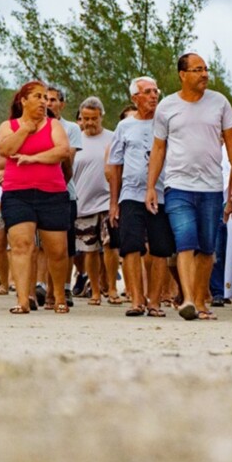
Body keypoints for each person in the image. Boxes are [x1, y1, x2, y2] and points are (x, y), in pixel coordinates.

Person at [148, 53, 232, 322]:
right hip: (177, 185)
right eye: (197, 70)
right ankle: (188, 299)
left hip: (212, 186)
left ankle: (201, 301)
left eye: (206, 69)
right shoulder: (166, 107)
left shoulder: (220, 102)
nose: (204, 74)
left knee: (207, 248)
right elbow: (158, 148)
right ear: (182, 74)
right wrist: (150, 187)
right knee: (185, 240)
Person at [0, 81, 72, 314]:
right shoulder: (8, 126)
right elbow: (5, 149)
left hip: (52, 193)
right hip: (17, 192)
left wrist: (34, 158)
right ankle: (22, 299)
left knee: (57, 250)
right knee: (21, 245)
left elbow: (62, 151)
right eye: (38, 97)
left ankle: (58, 295)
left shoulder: (54, 125)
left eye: (45, 97)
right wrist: (25, 129)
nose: (43, 102)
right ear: (23, 101)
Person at [109, 77, 175, 317]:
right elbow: (115, 165)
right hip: (130, 194)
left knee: (160, 248)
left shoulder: (166, 123)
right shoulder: (125, 126)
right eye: (147, 92)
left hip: (161, 193)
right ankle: (136, 299)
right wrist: (113, 202)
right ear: (134, 98)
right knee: (130, 246)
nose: (153, 96)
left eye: (156, 91)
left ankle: (155, 301)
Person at [72, 96, 114, 305]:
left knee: (110, 246)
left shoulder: (113, 138)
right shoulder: (75, 140)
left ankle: (112, 289)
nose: (89, 123)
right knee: (89, 249)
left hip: (108, 200)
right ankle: (95, 289)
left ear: (101, 117)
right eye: (85, 118)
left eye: (93, 118)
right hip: (83, 202)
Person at [45, 86, 82, 309]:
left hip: (65, 191)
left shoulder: (72, 129)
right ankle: (41, 288)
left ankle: (64, 287)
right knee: (42, 245)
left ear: (62, 104)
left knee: (65, 246)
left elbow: (68, 160)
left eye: (53, 100)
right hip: (39, 191)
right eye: (45, 99)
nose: (49, 103)